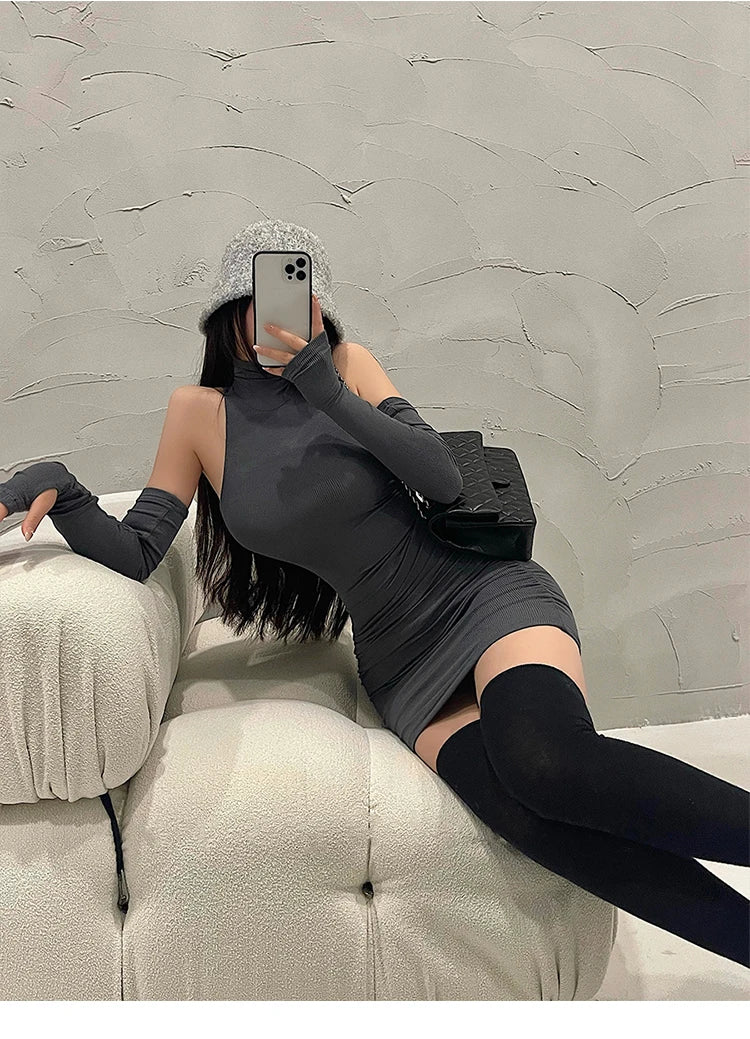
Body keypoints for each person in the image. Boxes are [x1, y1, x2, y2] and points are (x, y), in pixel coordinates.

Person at [1, 219, 748, 967]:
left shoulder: (350, 368)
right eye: (260, 293)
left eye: (297, 291)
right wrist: (66, 492)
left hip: (483, 597)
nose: (279, 310)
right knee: (530, 819)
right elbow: (138, 550)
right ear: (229, 311)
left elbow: (442, 477)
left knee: (545, 764)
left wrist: (327, 391)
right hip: (399, 660)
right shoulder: (198, 414)